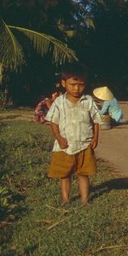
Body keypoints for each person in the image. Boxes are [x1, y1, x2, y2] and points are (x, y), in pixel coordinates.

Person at [45, 63, 101, 205]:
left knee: (83, 173)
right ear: (64, 83)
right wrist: (59, 138)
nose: (77, 88)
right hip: (65, 145)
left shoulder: (88, 101)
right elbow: (53, 122)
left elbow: (96, 120)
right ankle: (65, 199)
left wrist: (95, 138)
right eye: (73, 84)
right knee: (64, 174)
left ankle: (84, 200)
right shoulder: (59, 102)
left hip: (84, 144)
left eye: (81, 85)